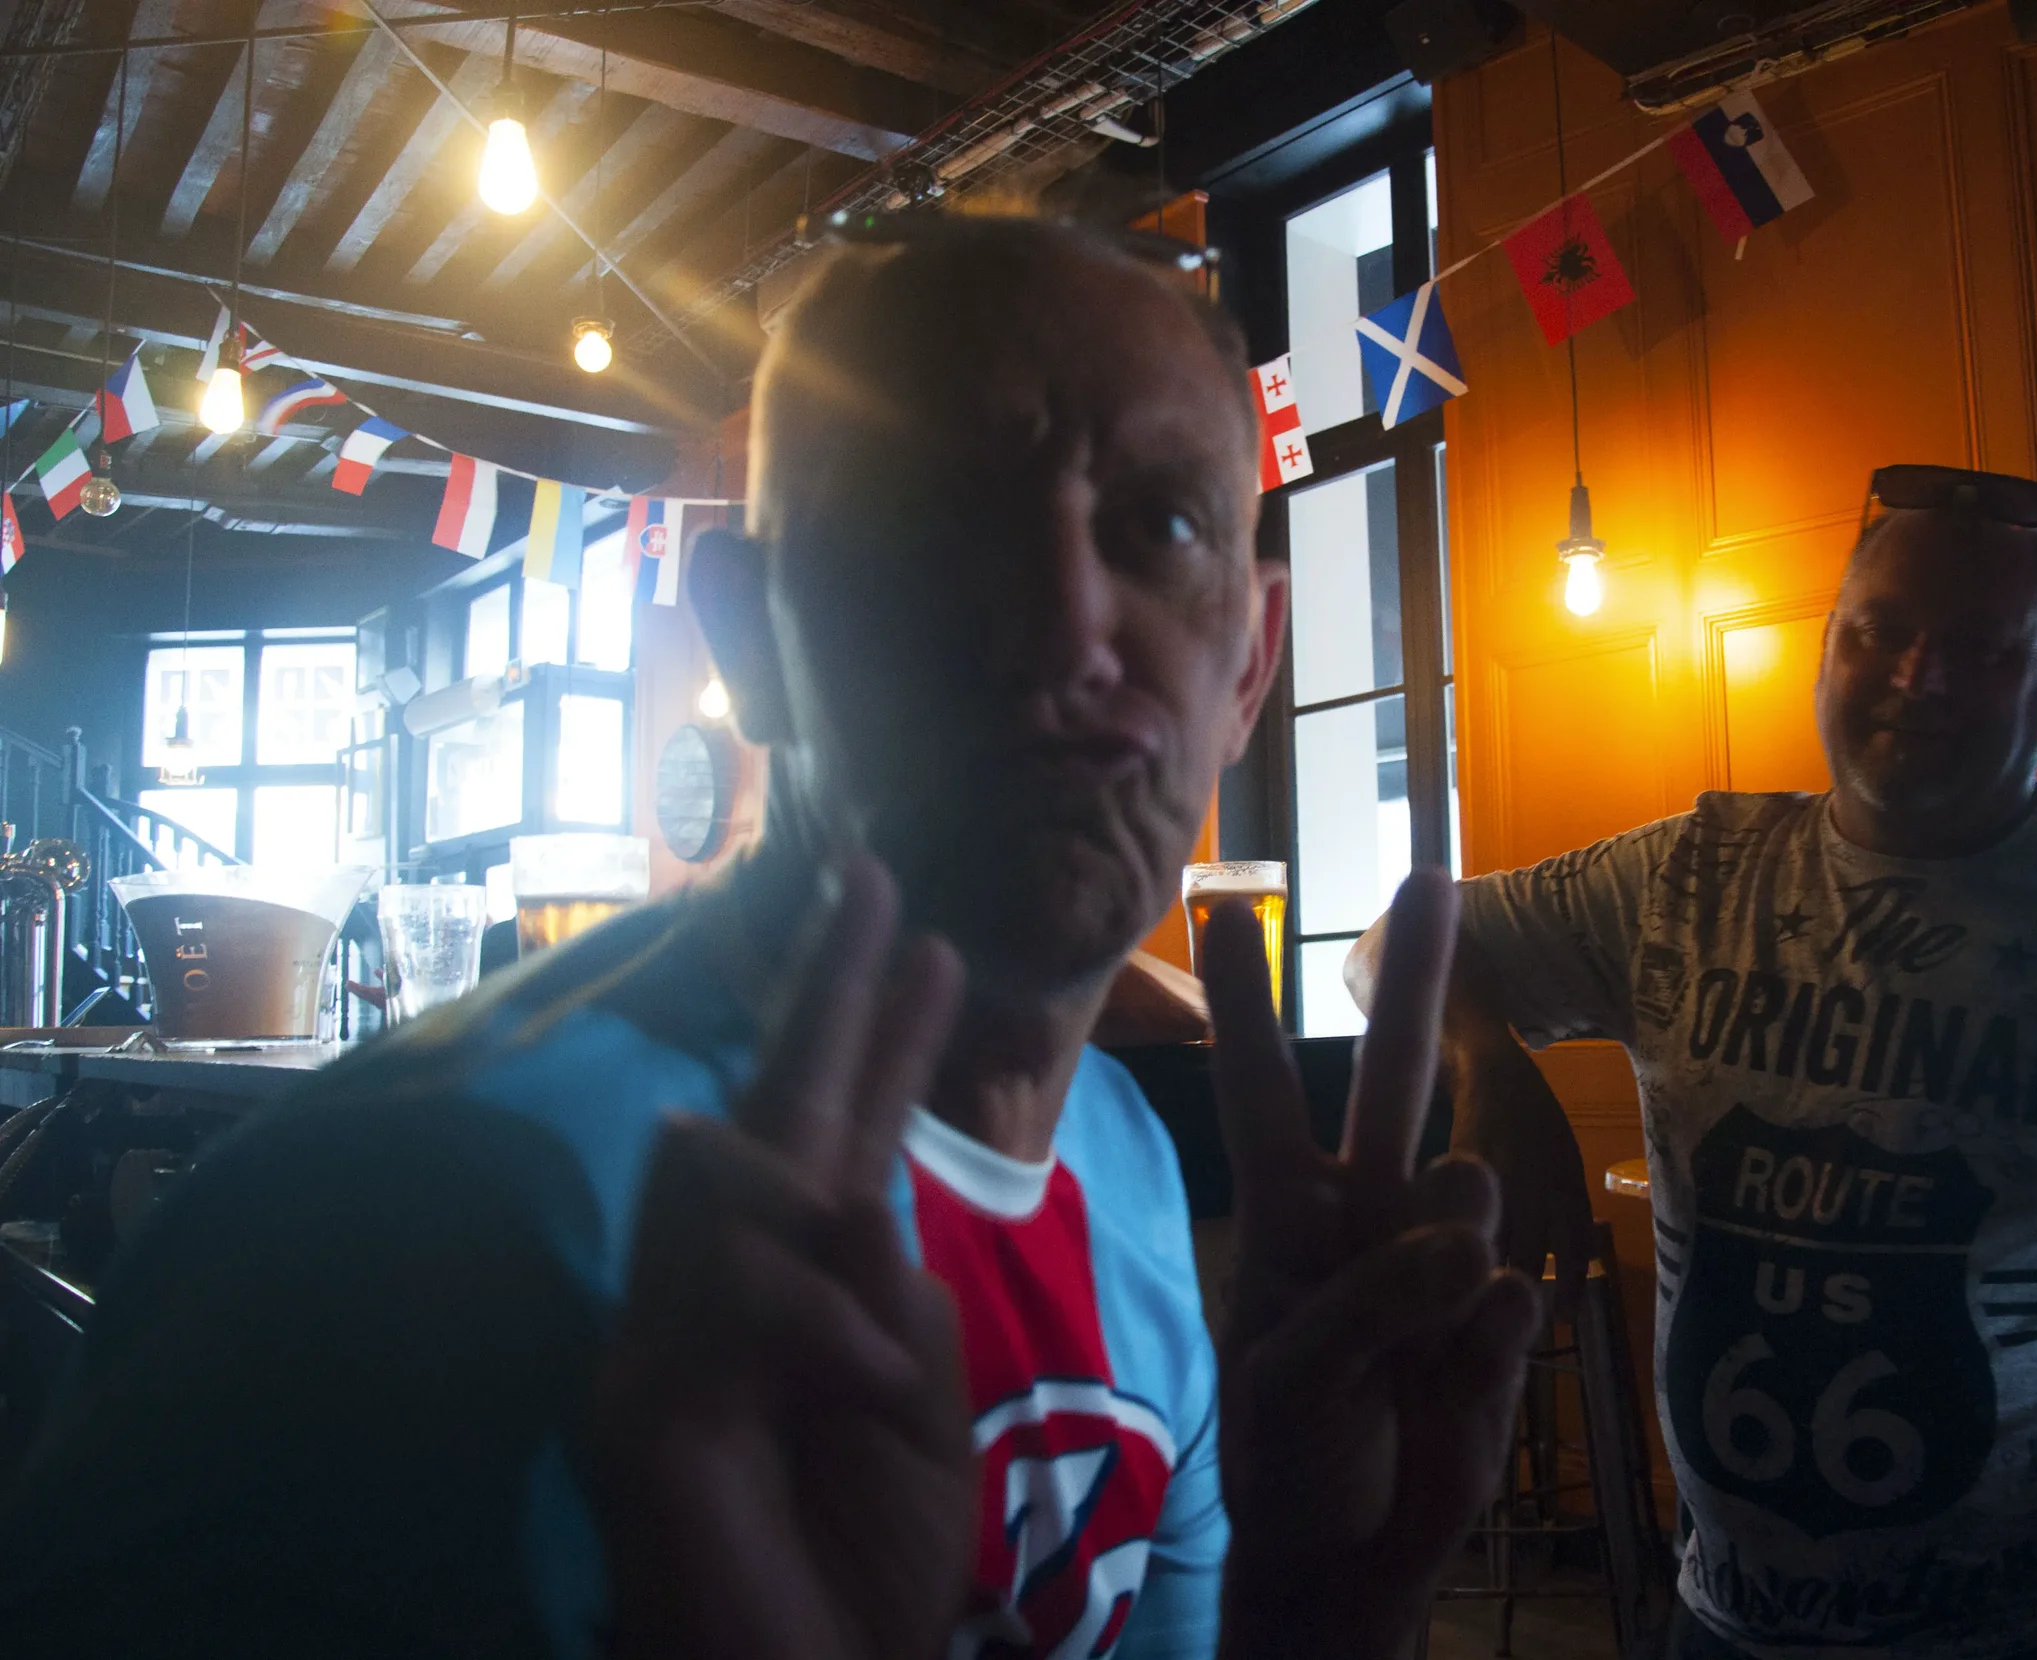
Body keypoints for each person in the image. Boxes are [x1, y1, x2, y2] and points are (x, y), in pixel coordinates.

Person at [0, 216, 1540, 1659]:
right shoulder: (375, 1233)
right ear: (750, 635)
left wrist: (1315, 1613)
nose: (1071, 628)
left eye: (1161, 523)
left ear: (1252, 661)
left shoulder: (1124, 1163)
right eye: (940, 519)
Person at [1347, 464, 2037, 1659]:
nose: (1919, 678)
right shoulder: (1684, 878)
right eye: (1881, 633)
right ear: (1826, 650)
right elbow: (1396, 939)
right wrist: (1487, 1067)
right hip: (1730, 1623)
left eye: (1980, 648)